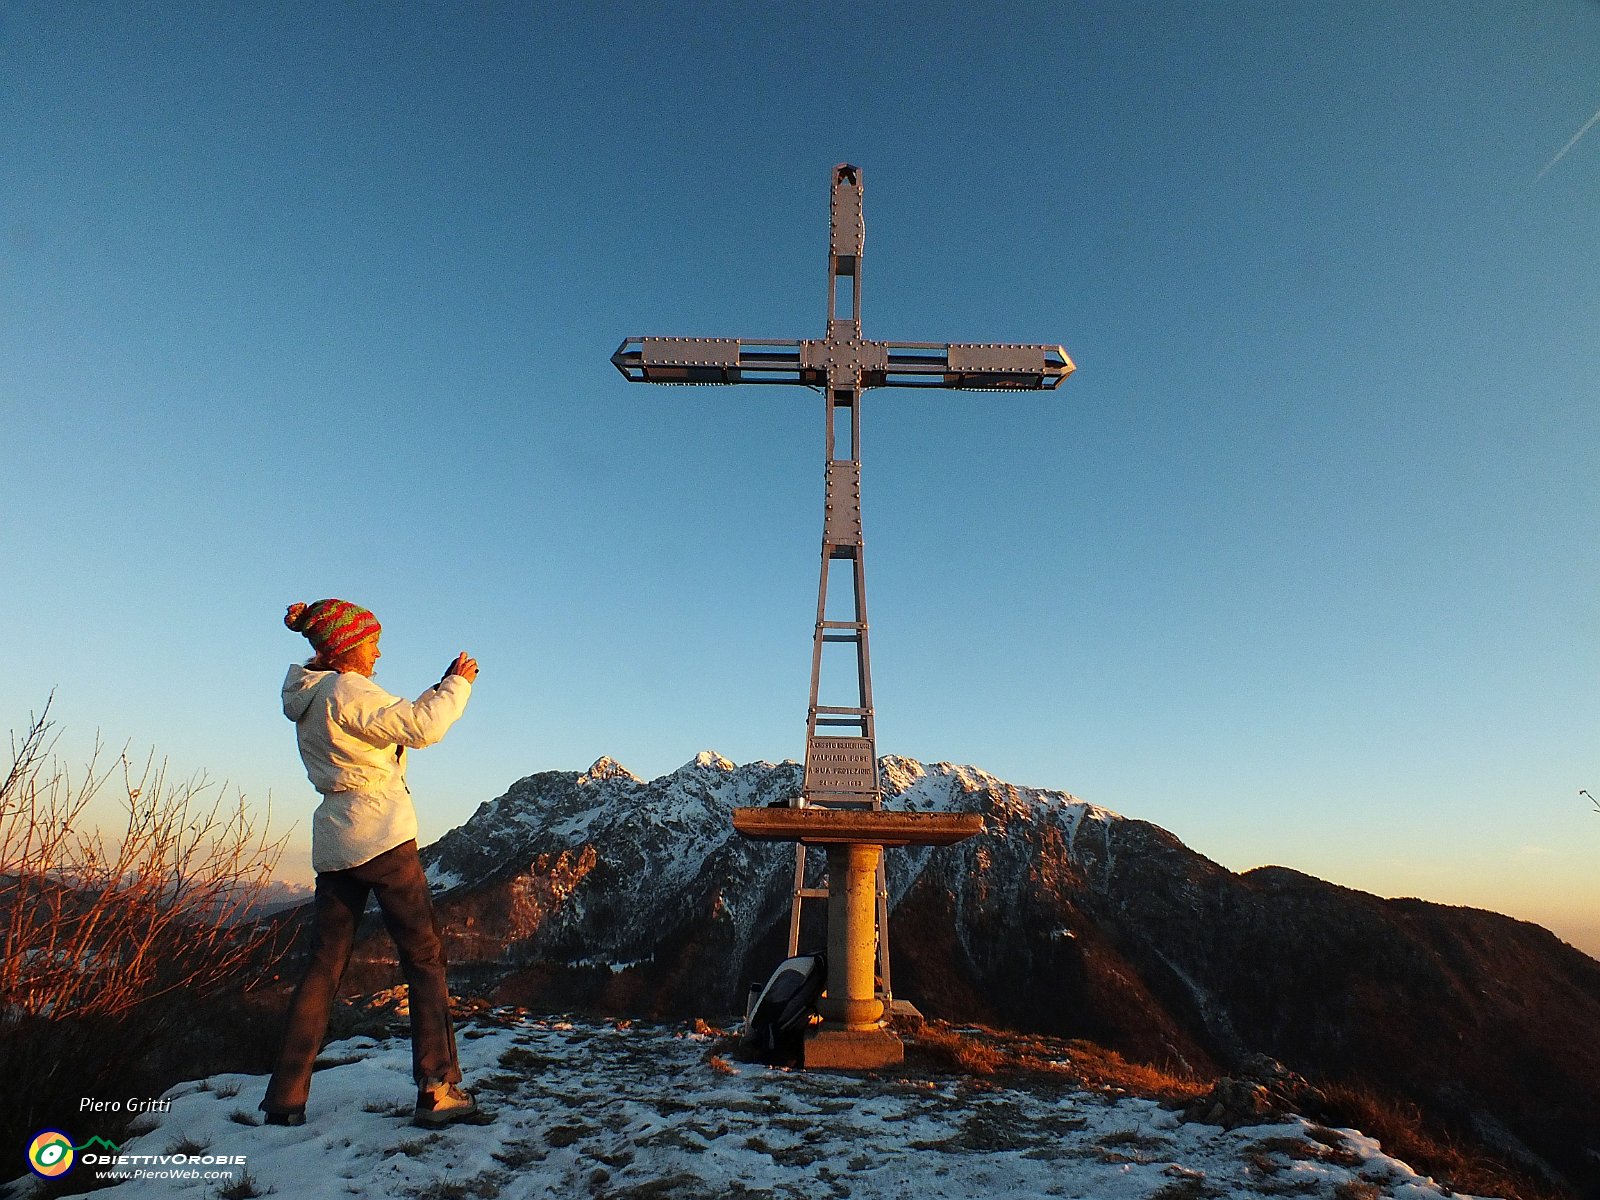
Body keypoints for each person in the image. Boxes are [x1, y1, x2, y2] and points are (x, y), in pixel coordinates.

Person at [260, 598, 483, 1129]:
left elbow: (393, 723)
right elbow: (422, 727)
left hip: (334, 843)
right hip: (381, 836)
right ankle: (439, 1087)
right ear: (347, 645)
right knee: (424, 958)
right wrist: (456, 683)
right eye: (373, 641)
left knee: (322, 967)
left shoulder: (311, 699)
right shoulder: (346, 689)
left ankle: (286, 1098)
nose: (379, 652)